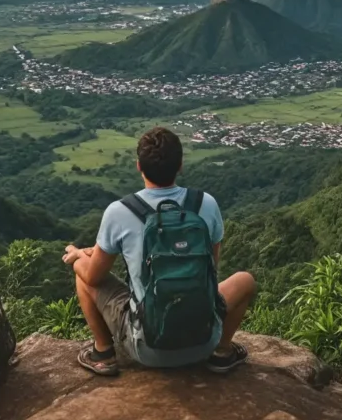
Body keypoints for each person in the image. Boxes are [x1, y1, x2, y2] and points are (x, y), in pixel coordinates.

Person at [63, 125, 257, 376]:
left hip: (147, 348)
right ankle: (222, 352)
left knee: (83, 275)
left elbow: (93, 277)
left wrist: (78, 255)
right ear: (180, 166)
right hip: (203, 340)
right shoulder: (205, 204)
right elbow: (212, 267)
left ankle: (103, 353)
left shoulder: (119, 212)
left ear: (139, 167)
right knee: (246, 281)